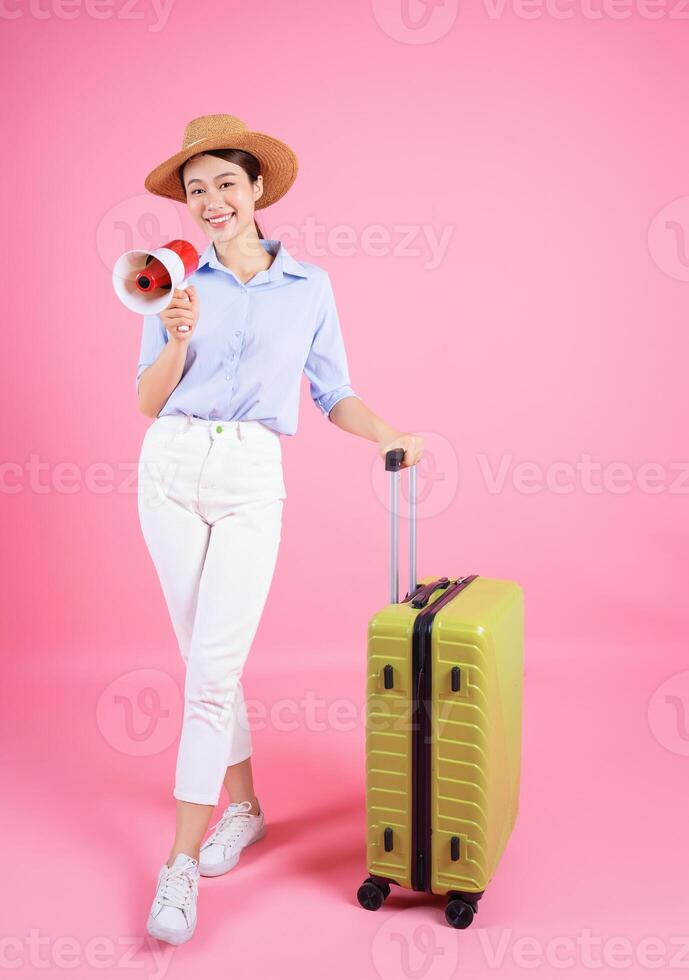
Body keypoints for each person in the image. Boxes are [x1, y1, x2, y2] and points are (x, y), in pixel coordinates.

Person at [135, 114, 424, 946]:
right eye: (196, 190)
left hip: (251, 475)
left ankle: (179, 862)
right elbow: (148, 399)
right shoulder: (167, 280)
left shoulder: (309, 286)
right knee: (204, 667)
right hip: (168, 468)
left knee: (211, 670)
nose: (211, 200)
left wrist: (386, 432)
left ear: (258, 189)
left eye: (226, 183)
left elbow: (333, 389)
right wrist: (175, 337)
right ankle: (247, 811)